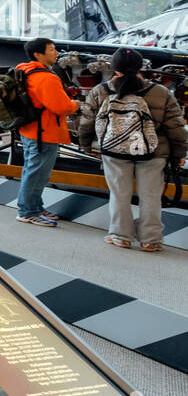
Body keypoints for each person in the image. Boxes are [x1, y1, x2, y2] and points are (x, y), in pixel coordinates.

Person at [77, 47, 188, 251]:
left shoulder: (100, 91)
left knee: (119, 194)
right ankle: (150, 240)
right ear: (141, 66)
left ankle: (121, 236)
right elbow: (176, 127)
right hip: (153, 153)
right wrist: (179, 154)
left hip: (114, 152)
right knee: (151, 197)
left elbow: (87, 123)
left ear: (114, 68)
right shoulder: (161, 92)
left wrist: (86, 146)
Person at [15, 37, 80, 227]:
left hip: (29, 129)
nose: (57, 52)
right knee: (37, 173)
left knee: (32, 170)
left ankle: (34, 207)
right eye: (52, 50)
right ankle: (27, 211)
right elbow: (62, 107)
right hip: (44, 133)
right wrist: (76, 104)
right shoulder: (46, 78)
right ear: (38, 54)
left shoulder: (24, 71)